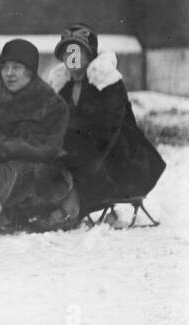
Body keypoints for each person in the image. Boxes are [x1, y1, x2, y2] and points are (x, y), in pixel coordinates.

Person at [46, 23, 167, 217]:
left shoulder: (108, 84)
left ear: (91, 54)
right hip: (83, 157)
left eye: (77, 51)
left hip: (121, 159)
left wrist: (69, 154)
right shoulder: (64, 88)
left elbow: (105, 130)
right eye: (67, 52)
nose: (72, 57)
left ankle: (71, 204)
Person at [0, 38, 78, 232]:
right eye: (4, 67)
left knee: (10, 170)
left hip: (47, 180)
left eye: (16, 67)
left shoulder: (52, 104)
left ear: (30, 72)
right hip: (10, 181)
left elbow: (49, 150)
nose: (9, 74)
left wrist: (8, 148)